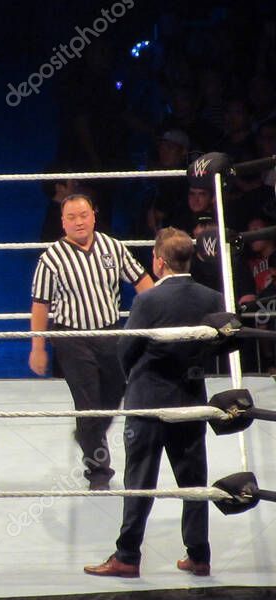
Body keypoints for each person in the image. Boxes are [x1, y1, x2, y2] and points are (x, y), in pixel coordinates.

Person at [84, 228, 224, 578]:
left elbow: (126, 351)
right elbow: (215, 347)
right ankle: (199, 556)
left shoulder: (148, 302)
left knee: (139, 480)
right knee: (194, 480)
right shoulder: (211, 298)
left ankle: (127, 557)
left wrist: (138, 376)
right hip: (191, 398)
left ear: (159, 262)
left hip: (149, 400)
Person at [29, 194, 153, 490]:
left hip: (109, 333)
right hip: (71, 338)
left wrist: (157, 314)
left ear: (93, 215)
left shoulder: (112, 247)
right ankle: (98, 470)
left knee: (115, 392)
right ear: (62, 222)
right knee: (88, 404)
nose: (78, 221)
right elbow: (40, 305)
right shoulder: (51, 258)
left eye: (83, 215)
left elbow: (142, 281)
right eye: (71, 217)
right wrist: (38, 346)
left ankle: (88, 433)